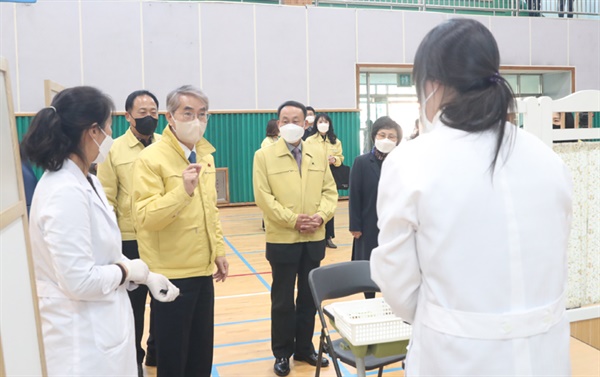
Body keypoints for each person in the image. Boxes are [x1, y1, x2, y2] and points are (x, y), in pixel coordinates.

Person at [370, 18, 572, 376]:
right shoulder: (547, 159)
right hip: (546, 357)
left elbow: (399, 288)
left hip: (455, 357)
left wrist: (454, 315)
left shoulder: (411, 162)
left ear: (432, 84)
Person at [21, 86, 179, 377]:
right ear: (91, 132)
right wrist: (128, 271)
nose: (110, 135)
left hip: (103, 329)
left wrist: (144, 274)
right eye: (108, 127)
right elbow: (78, 281)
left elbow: (103, 251)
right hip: (80, 344)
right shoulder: (63, 191)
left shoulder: (87, 181)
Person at [131, 85, 229, 377]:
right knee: (174, 357)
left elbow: (210, 211)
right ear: (170, 117)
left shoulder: (204, 156)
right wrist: (181, 191)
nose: (196, 120)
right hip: (170, 273)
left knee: (201, 353)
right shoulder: (150, 159)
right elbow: (145, 217)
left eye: (202, 114)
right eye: (188, 113)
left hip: (201, 269)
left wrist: (219, 251)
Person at [253, 100, 338, 377]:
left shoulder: (317, 154)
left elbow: (330, 192)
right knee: (282, 300)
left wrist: (320, 216)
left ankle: (304, 347)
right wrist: (292, 220)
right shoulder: (264, 156)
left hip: (314, 238)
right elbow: (264, 198)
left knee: (308, 299)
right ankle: (282, 353)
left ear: (306, 123)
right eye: (285, 119)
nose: (290, 124)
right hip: (282, 239)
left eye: (296, 119)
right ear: (279, 124)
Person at [96, 89, 161, 373]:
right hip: (130, 241)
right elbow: (106, 199)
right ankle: (134, 359)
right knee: (134, 307)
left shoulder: (165, 146)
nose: (149, 118)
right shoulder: (113, 150)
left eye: (154, 113)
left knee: (162, 301)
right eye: (143, 113)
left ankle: (157, 353)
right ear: (128, 116)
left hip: (162, 238)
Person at [348, 116, 402, 299]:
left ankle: (390, 302)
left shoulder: (402, 163)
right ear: (374, 137)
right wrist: (355, 225)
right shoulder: (361, 162)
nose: (386, 139)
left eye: (392, 136)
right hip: (368, 224)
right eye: (382, 134)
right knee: (368, 266)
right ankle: (369, 299)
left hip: (395, 225)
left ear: (398, 140)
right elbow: (355, 194)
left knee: (392, 267)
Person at [305, 113, 344, 249]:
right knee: (316, 205)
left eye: (326, 122)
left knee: (329, 206)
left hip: (331, 176)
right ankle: (316, 235)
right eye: (320, 121)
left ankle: (328, 237)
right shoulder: (309, 140)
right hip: (315, 176)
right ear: (316, 124)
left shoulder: (335, 141)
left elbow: (340, 158)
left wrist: (335, 160)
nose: (323, 124)